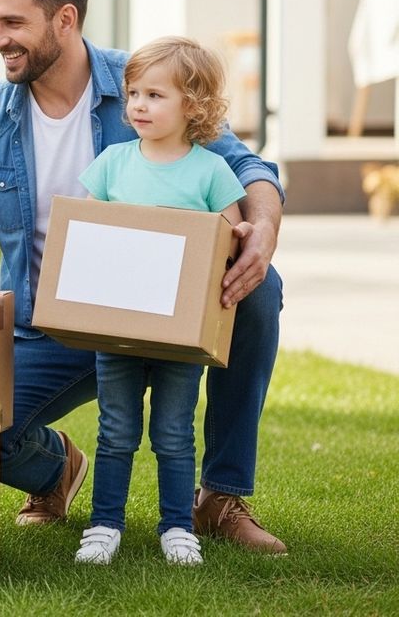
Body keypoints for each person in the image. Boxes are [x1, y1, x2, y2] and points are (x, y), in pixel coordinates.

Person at [0, 0, 288, 554]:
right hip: (48, 326)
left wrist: (262, 230)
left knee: (259, 287)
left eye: (12, 23)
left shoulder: (147, 84)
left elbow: (246, 165)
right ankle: (55, 471)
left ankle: (220, 495)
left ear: (65, 20)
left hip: (167, 314)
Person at [72, 36, 246, 566]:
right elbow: (86, 231)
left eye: (155, 95)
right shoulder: (111, 163)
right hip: (118, 329)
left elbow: (231, 235)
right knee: (115, 430)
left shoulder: (210, 171)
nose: (138, 106)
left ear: (193, 106)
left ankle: (176, 526)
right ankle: (105, 524)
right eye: (132, 94)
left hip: (180, 333)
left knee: (173, 432)